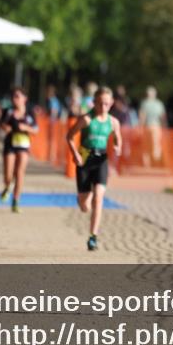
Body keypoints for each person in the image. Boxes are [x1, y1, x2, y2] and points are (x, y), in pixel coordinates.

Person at [67, 87, 122, 251]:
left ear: (111, 104)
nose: (103, 107)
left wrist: (118, 147)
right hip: (84, 159)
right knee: (85, 206)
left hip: (101, 160)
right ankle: (82, 199)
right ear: (94, 103)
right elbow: (69, 136)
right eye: (99, 104)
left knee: (99, 197)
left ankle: (93, 237)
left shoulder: (113, 122)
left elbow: (118, 139)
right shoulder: (86, 119)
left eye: (106, 104)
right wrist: (75, 153)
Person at [0, 87, 39, 213]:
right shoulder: (8, 111)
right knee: (8, 175)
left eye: (17, 96)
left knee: (20, 172)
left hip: (23, 144)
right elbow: (1, 124)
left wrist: (26, 127)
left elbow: (36, 130)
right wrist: (5, 128)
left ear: (24, 99)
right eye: (13, 96)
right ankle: (7, 186)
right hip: (10, 144)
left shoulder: (30, 113)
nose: (15, 99)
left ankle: (16, 201)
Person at [139, 86, 166, 166]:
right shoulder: (159, 104)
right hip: (155, 127)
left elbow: (142, 117)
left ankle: (148, 163)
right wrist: (164, 126)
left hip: (149, 127)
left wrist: (140, 126)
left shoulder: (144, 103)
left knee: (147, 145)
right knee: (156, 144)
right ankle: (155, 162)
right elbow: (163, 117)